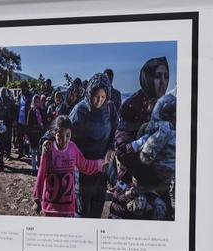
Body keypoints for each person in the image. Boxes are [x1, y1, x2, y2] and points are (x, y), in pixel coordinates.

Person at [33, 116, 113, 217]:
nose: (64, 140)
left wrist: (102, 162)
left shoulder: (73, 148)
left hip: (68, 207)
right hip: (50, 206)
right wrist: (37, 199)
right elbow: (41, 174)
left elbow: (85, 165)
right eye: (60, 136)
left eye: (68, 135)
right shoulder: (48, 150)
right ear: (54, 134)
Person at [115, 57, 170, 193]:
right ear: (148, 78)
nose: (163, 81)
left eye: (166, 76)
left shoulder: (167, 106)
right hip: (133, 182)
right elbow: (122, 149)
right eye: (158, 76)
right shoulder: (133, 105)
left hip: (160, 184)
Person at [70, 72, 118, 218]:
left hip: (102, 169)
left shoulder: (110, 108)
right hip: (83, 171)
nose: (99, 101)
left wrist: (111, 148)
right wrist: (47, 140)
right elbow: (63, 129)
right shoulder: (80, 110)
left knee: (97, 208)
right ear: (89, 92)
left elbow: (115, 131)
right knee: (82, 211)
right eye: (96, 96)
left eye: (103, 97)